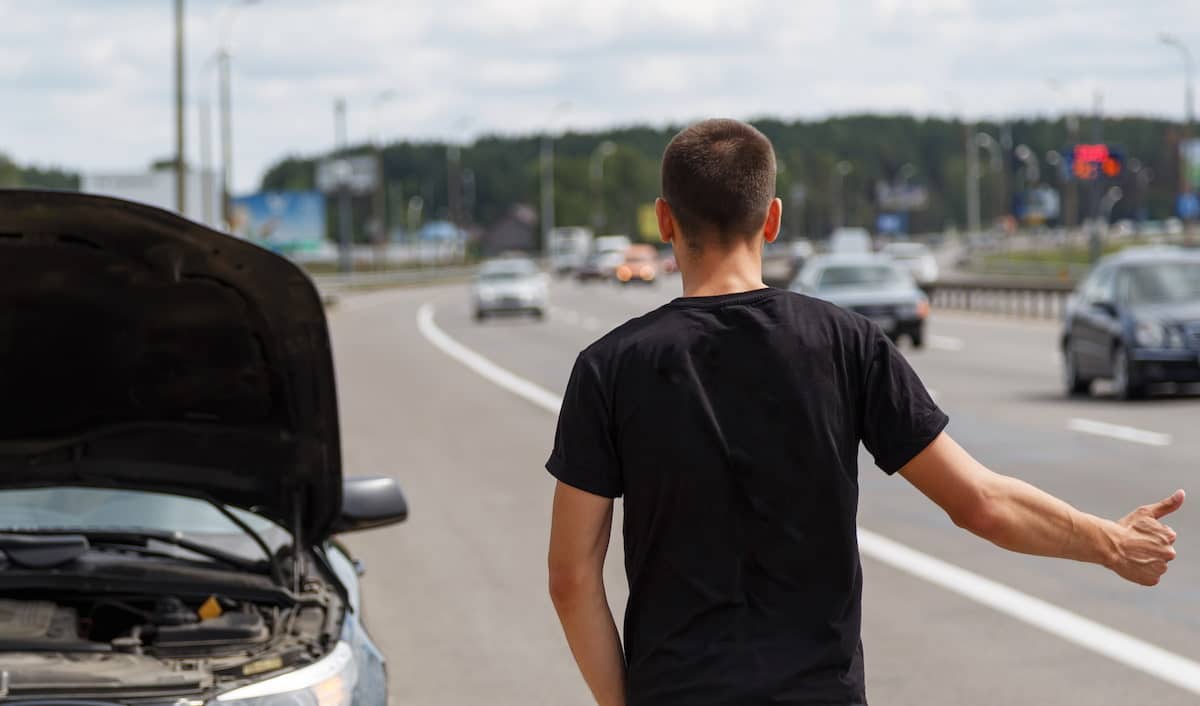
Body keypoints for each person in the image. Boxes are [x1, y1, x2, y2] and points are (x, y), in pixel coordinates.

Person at [545, 119, 1184, 706]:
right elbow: (980, 503)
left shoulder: (609, 368)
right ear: (771, 220)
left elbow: (571, 579)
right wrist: (1111, 543)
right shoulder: (845, 344)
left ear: (664, 220)